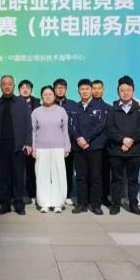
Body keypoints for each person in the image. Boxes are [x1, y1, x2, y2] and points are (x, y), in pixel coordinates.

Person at [0, 75, 32, 215]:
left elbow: (28, 125)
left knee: (18, 176)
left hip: (18, 145)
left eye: (10, 84)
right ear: (0, 86)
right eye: (4, 84)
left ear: (13, 85)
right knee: (3, 177)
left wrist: (28, 143)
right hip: (0, 146)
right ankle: (5, 204)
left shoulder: (22, 103)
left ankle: (19, 204)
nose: (7, 86)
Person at [105, 76, 140, 215]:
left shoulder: (139, 109)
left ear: (133, 91)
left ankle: (133, 205)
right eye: (122, 90)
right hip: (116, 150)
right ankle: (115, 205)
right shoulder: (112, 109)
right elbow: (109, 129)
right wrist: (122, 140)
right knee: (116, 179)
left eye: (128, 90)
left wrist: (130, 141)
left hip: (134, 151)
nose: (125, 93)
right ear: (118, 92)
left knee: (133, 180)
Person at [68, 78, 108, 215]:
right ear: (78, 91)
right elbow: (71, 125)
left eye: (87, 89)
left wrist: (87, 139)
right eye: (82, 89)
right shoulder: (75, 107)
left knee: (96, 177)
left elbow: (100, 125)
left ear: (91, 90)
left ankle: (96, 205)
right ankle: (82, 204)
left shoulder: (100, 107)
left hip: (94, 147)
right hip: (78, 148)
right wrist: (78, 138)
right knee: (81, 177)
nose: (84, 91)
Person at [32, 86, 71, 213]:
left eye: (50, 94)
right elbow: (33, 131)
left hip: (58, 147)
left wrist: (67, 146)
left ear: (54, 96)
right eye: (45, 94)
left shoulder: (61, 111)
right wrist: (33, 147)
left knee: (58, 176)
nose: (48, 96)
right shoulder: (36, 112)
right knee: (42, 176)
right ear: (41, 97)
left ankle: (58, 203)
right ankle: (44, 203)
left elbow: (65, 130)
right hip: (41, 148)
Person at [53, 78, 78, 208]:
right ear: (54, 89)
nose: (60, 90)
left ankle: (67, 195)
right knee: (53, 171)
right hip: (53, 144)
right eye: (58, 87)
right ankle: (54, 194)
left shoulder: (73, 105)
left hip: (69, 144)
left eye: (62, 87)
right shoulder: (49, 104)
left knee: (68, 170)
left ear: (66, 89)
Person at [18, 79, 40, 205]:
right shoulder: (15, 102)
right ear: (19, 90)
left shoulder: (38, 102)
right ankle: (23, 194)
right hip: (20, 141)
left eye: (28, 88)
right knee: (21, 170)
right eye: (23, 88)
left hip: (36, 141)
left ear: (31, 90)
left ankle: (34, 193)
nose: (25, 90)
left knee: (34, 169)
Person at [91, 79, 112, 206]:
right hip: (90, 146)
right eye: (94, 88)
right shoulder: (85, 107)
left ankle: (104, 197)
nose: (97, 91)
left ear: (103, 90)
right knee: (92, 173)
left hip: (105, 146)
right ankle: (90, 197)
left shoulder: (109, 108)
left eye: (99, 88)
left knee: (104, 172)